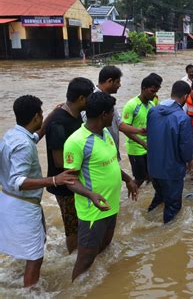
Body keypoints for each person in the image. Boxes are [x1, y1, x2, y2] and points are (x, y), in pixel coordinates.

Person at [0, 95, 77, 287]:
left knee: (34, 244)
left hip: (11, 200)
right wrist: (54, 179)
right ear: (35, 116)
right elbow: (18, 181)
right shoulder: (24, 145)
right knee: (35, 257)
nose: (42, 117)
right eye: (41, 114)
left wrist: (52, 114)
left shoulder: (13, 134)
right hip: (23, 205)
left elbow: (36, 137)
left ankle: (21, 279)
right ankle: (30, 292)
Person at [64, 92, 138, 281]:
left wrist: (128, 179)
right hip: (93, 212)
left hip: (110, 206)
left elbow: (111, 162)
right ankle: (76, 291)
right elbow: (69, 180)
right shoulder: (76, 141)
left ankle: (101, 286)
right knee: (85, 259)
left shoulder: (105, 133)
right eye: (112, 112)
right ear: (104, 115)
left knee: (104, 248)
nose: (114, 115)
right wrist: (90, 195)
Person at [45, 77, 94, 255]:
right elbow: (59, 161)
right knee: (72, 226)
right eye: (90, 97)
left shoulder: (75, 116)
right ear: (81, 99)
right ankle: (73, 257)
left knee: (80, 222)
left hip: (76, 181)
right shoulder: (59, 122)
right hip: (64, 186)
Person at [147, 81, 193, 223]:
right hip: (172, 171)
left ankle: (148, 219)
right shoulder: (183, 118)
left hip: (153, 169)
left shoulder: (153, 111)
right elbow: (186, 150)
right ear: (186, 96)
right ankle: (165, 235)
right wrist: (188, 162)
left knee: (159, 197)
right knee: (173, 206)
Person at [86, 66, 146, 158]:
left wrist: (140, 130)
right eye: (118, 82)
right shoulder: (93, 99)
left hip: (111, 151)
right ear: (110, 81)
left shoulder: (108, 99)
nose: (120, 85)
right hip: (100, 154)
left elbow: (119, 124)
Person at [122, 73, 162, 188]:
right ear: (143, 88)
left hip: (149, 147)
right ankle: (131, 199)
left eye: (156, 92)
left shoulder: (151, 105)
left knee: (150, 175)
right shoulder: (131, 105)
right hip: (136, 149)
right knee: (139, 178)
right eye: (152, 91)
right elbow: (125, 129)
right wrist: (142, 143)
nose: (154, 94)